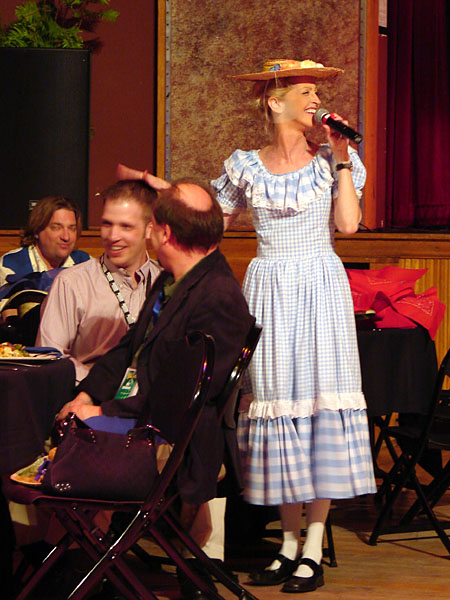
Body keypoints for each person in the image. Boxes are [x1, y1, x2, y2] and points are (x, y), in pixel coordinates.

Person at [120, 58, 376, 594]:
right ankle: (286, 544)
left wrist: (345, 157)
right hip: (270, 287)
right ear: (273, 100)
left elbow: (349, 225)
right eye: (305, 91)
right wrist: (153, 187)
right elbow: (210, 219)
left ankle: (313, 546)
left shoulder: (331, 159)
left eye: (315, 93)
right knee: (278, 403)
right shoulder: (246, 166)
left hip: (319, 288)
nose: (314, 101)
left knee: (321, 402)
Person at [57, 180, 255, 598]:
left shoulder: (217, 295)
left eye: (150, 226)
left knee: (63, 443)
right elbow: (132, 347)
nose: (144, 233)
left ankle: (85, 566)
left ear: (163, 233)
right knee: (63, 417)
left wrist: (105, 414)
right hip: (144, 418)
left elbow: (183, 399)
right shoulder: (172, 279)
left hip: (170, 438)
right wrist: (89, 394)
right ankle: (93, 561)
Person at [36, 180, 162, 382]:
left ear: (148, 230)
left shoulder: (165, 281)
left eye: (126, 227)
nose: (113, 236)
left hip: (152, 401)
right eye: (107, 224)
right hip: (86, 398)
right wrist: (99, 385)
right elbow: (49, 356)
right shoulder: (71, 283)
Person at [0, 195, 89, 287]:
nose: (66, 237)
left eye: (72, 228)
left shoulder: (86, 263)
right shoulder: (10, 266)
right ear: (37, 230)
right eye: (56, 228)